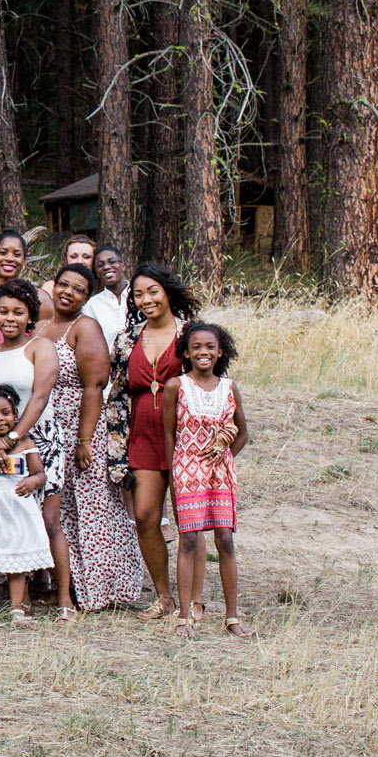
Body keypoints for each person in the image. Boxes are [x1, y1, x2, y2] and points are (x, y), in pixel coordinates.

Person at [106, 261, 201, 621]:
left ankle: (193, 603)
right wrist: (116, 443)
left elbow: (213, 385)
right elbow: (116, 392)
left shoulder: (192, 333)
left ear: (167, 291)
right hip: (142, 434)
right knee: (146, 516)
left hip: (185, 436)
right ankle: (164, 598)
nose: (146, 299)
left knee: (188, 521)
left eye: (152, 291)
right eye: (139, 294)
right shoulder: (127, 338)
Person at [47, 262, 142, 614]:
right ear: (54, 286)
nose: (67, 293)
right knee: (63, 509)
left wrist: (84, 440)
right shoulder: (42, 325)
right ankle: (67, 584)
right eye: (63, 285)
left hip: (79, 426)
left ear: (87, 297)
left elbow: (94, 386)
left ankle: (102, 588)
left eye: (77, 289)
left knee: (92, 507)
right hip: (49, 430)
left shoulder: (84, 327)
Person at [0, 278, 67, 618]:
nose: (10, 318)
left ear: (30, 314)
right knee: (10, 516)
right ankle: (21, 599)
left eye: (18, 311)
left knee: (47, 522)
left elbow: (42, 395)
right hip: (0, 445)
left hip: (39, 439)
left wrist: (13, 438)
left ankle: (64, 600)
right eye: (3, 311)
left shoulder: (41, 346)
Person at [163, 323, 251, 639]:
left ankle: (232, 617)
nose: (204, 352)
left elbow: (242, 433)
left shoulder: (229, 388)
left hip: (219, 476)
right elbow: (169, 434)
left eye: (210, 346)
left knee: (225, 539)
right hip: (186, 473)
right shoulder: (176, 386)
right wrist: (176, 474)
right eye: (196, 346)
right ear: (186, 352)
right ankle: (185, 616)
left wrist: (225, 460)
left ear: (220, 351)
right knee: (188, 539)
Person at [0, 387, 54, 624]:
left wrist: (32, 481)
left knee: (17, 559)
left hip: (18, 507)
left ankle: (17, 606)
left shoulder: (26, 442)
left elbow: (41, 474)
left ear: (16, 413)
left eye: (5, 413)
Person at [0, 229, 54, 324]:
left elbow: (49, 335)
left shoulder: (41, 299)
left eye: (17, 254)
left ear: (24, 261)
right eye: (3, 253)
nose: (9, 258)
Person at [82, 245, 129, 346]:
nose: (106, 267)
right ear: (97, 274)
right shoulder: (92, 306)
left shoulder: (140, 295)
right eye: (100, 265)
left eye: (112, 262)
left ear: (122, 266)